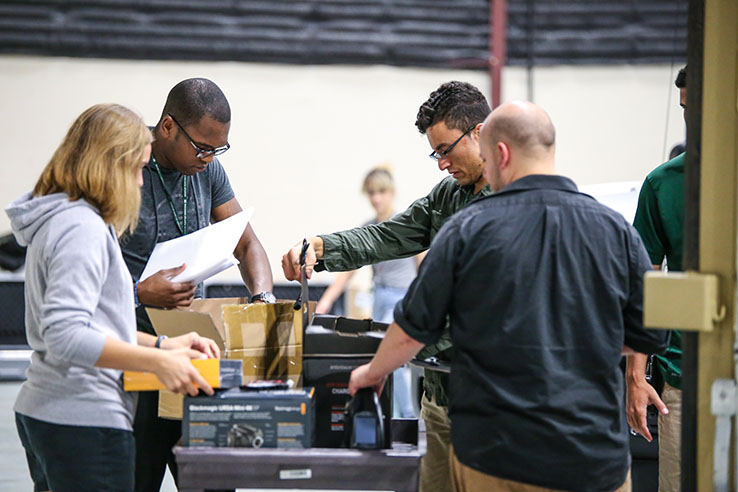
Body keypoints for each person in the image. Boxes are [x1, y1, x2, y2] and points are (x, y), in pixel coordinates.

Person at [348, 100, 670, 492]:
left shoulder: (466, 229)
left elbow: (411, 329)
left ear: (500, 154)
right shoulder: (616, 231)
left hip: (496, 458)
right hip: (594, 459)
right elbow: (652, 335)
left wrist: (372, 372)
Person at [283, 81, 492, 492]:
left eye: (446, 149)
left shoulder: (513, 206)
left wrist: (395, 351)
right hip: (438, 397)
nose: (441, 163)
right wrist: (324, 247)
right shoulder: (447, 197)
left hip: (489, 407)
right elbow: (386, 236)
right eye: (435, 152)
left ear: (481, 132)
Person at [6, 103, 220, 492]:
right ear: (108, 165)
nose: (140, 183)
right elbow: (66, 335)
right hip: (81, 419)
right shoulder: (80, 227)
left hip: (54, 413)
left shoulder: (67, 218)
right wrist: (158, 362)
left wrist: (164, 345)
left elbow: (96, 326)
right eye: (137, 169)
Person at [120, 78, 274, 492]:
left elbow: (248, 243)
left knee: (215, 482)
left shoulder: (209, 172)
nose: (208, 158)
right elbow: (91, 277)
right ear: (167, 127)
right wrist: (139, 291)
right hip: (139, 358)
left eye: (218, 149)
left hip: (197, 357)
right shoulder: (126, 171)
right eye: (202, 147)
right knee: (137, 477)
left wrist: (263, 298)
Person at [316, 165, 423, 418]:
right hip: (380, 297)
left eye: (381, 192)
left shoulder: (404, 224)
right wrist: (326, 301)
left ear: (392, 192)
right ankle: (388, 413)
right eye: (372, 193)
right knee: (380, 354)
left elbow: (423, 265)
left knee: (394, 357)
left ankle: (405, 416)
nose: (376, 198)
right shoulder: (370, 228)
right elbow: (348, 270)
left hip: (403, 297)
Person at [627, 66, 688, 492]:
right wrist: (636, 374)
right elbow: (642, 284)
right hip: (682, 382)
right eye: (686, 110)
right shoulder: (662, 184)